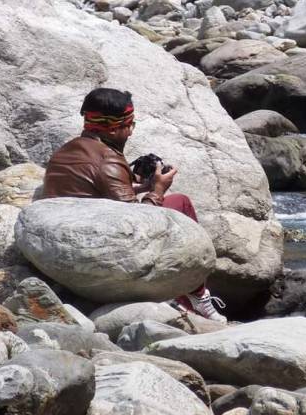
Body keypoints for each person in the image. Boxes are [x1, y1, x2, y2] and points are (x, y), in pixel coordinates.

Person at [43, 88, 227, 323]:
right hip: (100, 253)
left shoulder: (65, 150)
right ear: (113, 128)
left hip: (64, 243)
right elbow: (138, 224)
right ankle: (196, 296)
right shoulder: (108, 160)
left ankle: (187, 297)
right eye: (130, 125)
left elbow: (94, 193)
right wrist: (158, 189)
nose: (131, 132)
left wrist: (138, 186)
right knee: (180, 202)